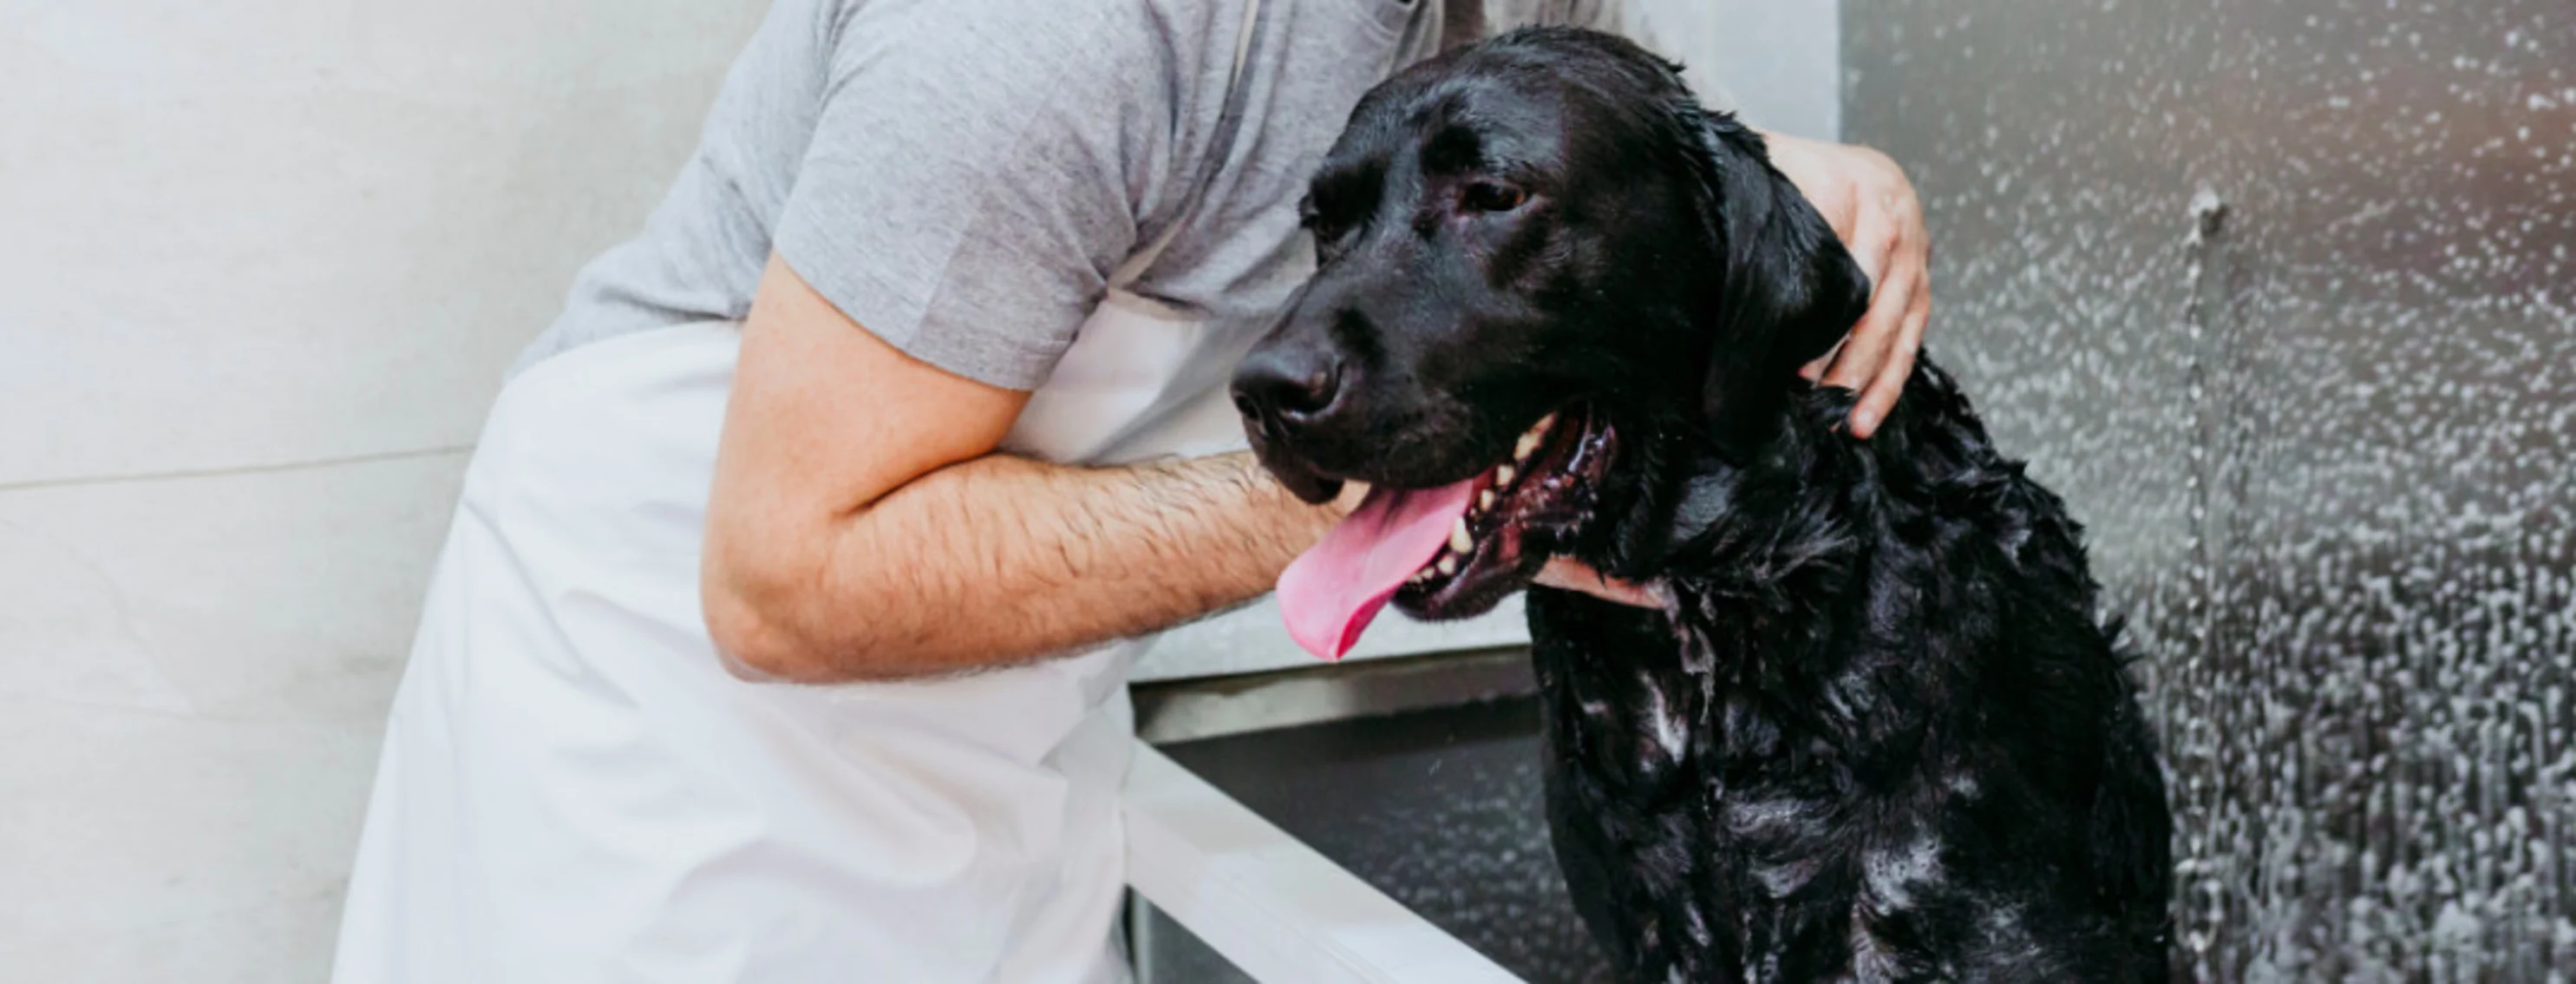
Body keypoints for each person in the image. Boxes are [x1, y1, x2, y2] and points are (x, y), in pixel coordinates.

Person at [330, 0, 1931, 981]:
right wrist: (1376, 496)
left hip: (997, 717)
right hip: (671, 711)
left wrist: (1769, 174)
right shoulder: (1060, 24)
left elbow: (1494, 187)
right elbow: (783, 573)